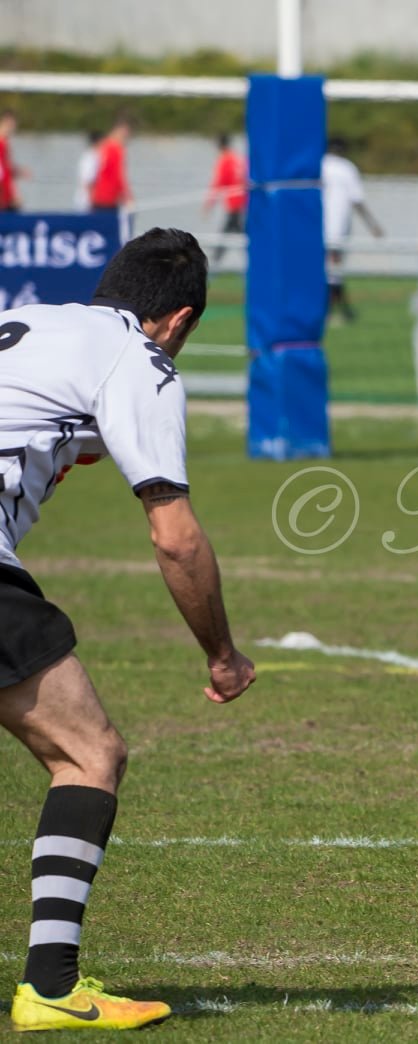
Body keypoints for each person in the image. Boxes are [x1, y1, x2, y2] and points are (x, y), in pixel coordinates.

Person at [0, 228, 257, 1030]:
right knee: (90, 754)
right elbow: (174, 533)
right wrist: (222, 654)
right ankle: (49, 988)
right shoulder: (135, 359)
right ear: (178, 320)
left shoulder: (34, 322)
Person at [321, 137, 383, 324]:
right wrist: (372, 225)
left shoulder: (318, 165)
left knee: (325, 269)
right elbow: (357, 199)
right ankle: (331, 311)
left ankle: (340, 310)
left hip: (316, 226)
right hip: (337, 226)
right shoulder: (347, 168)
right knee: (334, 270)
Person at [202, 134, 247, 266]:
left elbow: (218, 184)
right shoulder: (237, 158)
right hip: (244, 201)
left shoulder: (225, 161)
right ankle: (217, 259)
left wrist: (208, 205)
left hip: (234, 202)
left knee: (231, 232)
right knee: (235, 231)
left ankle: (215, 262)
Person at [89, 116, 133, 213]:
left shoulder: (102, 146)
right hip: (106, 200)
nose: (126, 137)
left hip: (100, 198)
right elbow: (119, 176)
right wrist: (128, 197)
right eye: (125, 134)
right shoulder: (116, 149)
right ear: (118, 130)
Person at [0, 110, 26, 212]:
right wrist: (11, 196)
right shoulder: (1, 144)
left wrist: (17, 171)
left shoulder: (5, 144)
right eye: (12, 126)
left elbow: (5, 169)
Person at [74, 131, 101, 213]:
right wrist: (94, 202)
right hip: (86, 203)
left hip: (91, 201)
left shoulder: (96, 156)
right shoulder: (90, 158)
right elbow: (88, 182)